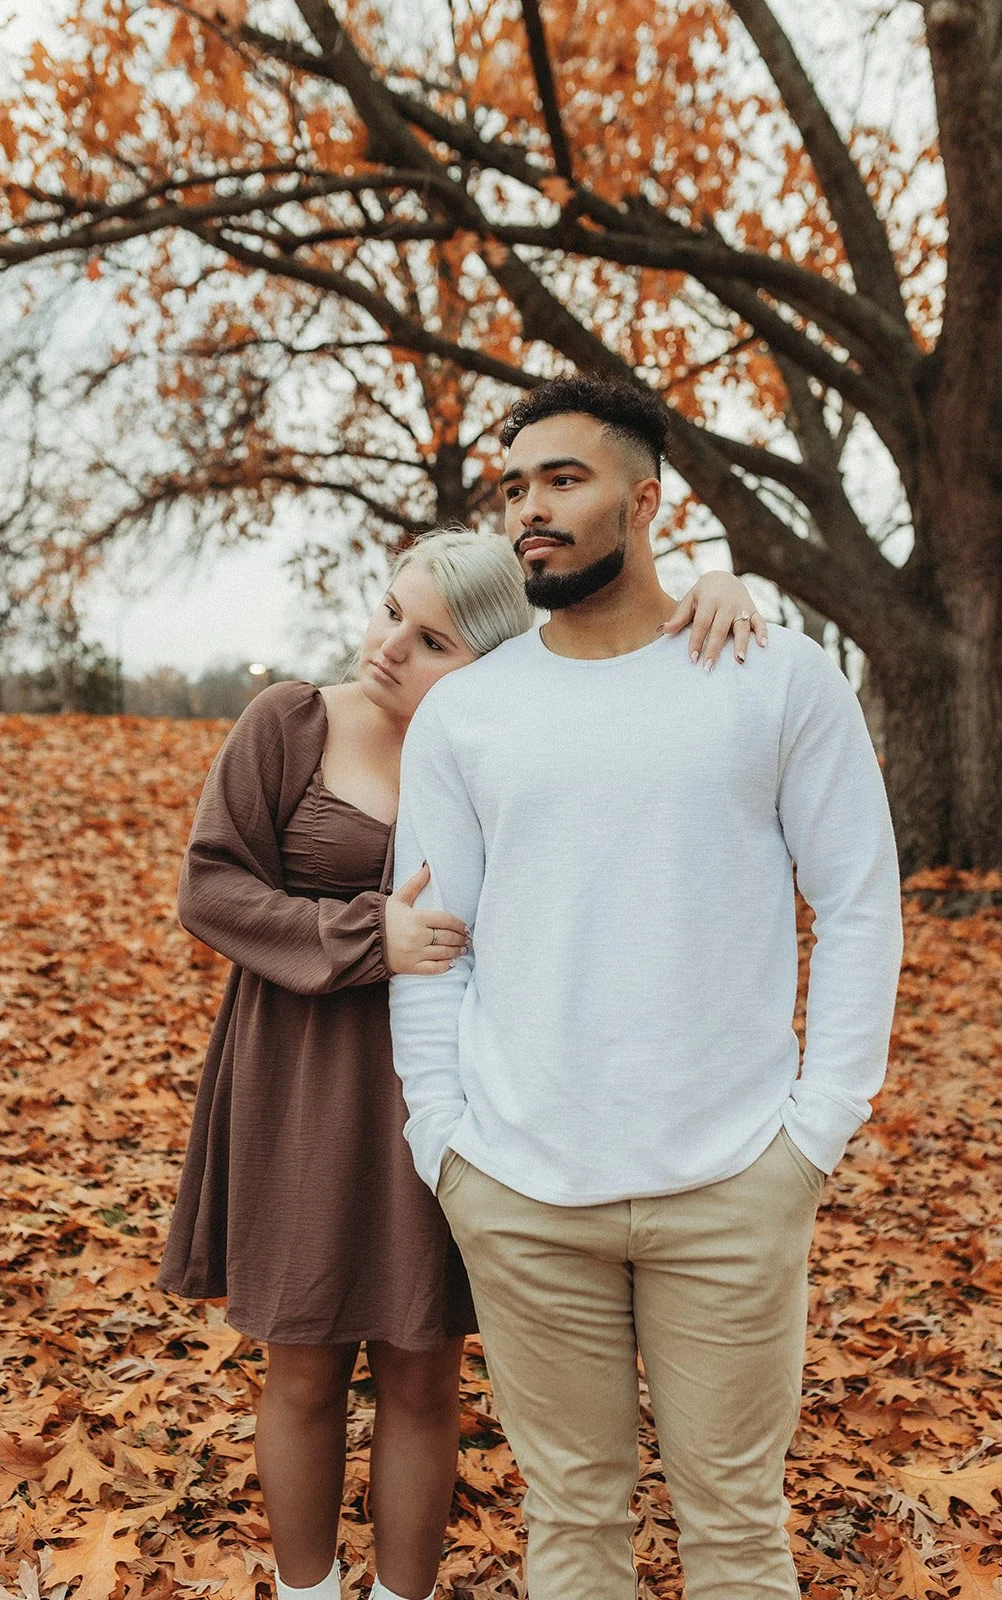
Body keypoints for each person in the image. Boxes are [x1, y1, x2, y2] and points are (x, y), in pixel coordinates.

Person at [158, 524, 766, 1600]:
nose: (388, 646)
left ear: (490, 662)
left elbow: (636, 704)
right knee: (303, 1364)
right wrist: (366, 935)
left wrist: (718, 586)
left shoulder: (519, 741)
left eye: (431, 640)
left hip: (445, 1090)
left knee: (422, 1371)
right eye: (392, 611)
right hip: (301, 1085)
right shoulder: (291, 723)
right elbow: (211, 889)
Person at [389, 377, 904, 1600]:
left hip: (731, 1183)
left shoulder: (773, 678)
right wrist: (442, 1139)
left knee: (735, 1528)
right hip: (519, 1187)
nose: (529, 508)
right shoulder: (467, 715)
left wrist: (814, 1130)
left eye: (562, 480)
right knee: (571, 1523)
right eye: (513, 488)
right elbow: (433, 938)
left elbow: (857, 903)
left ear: (645, 500)